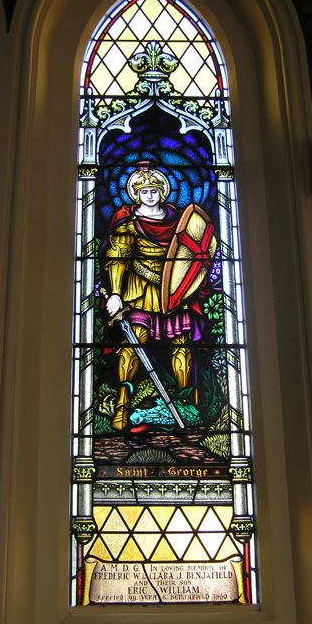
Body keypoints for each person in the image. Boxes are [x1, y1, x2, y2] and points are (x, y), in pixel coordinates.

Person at [102, 160, 208, 431]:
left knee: (182, 345)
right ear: (136, 195)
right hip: (140, 291)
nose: (149, 195)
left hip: (174, 292)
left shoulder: (181, 222)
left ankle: (185, 405)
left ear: (162, 192)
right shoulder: (129, 225)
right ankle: (122, 405)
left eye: (154, 190)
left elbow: (196, 253)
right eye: (143, 192)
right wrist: (115, 293)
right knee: (133, 345)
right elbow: (117, 259)